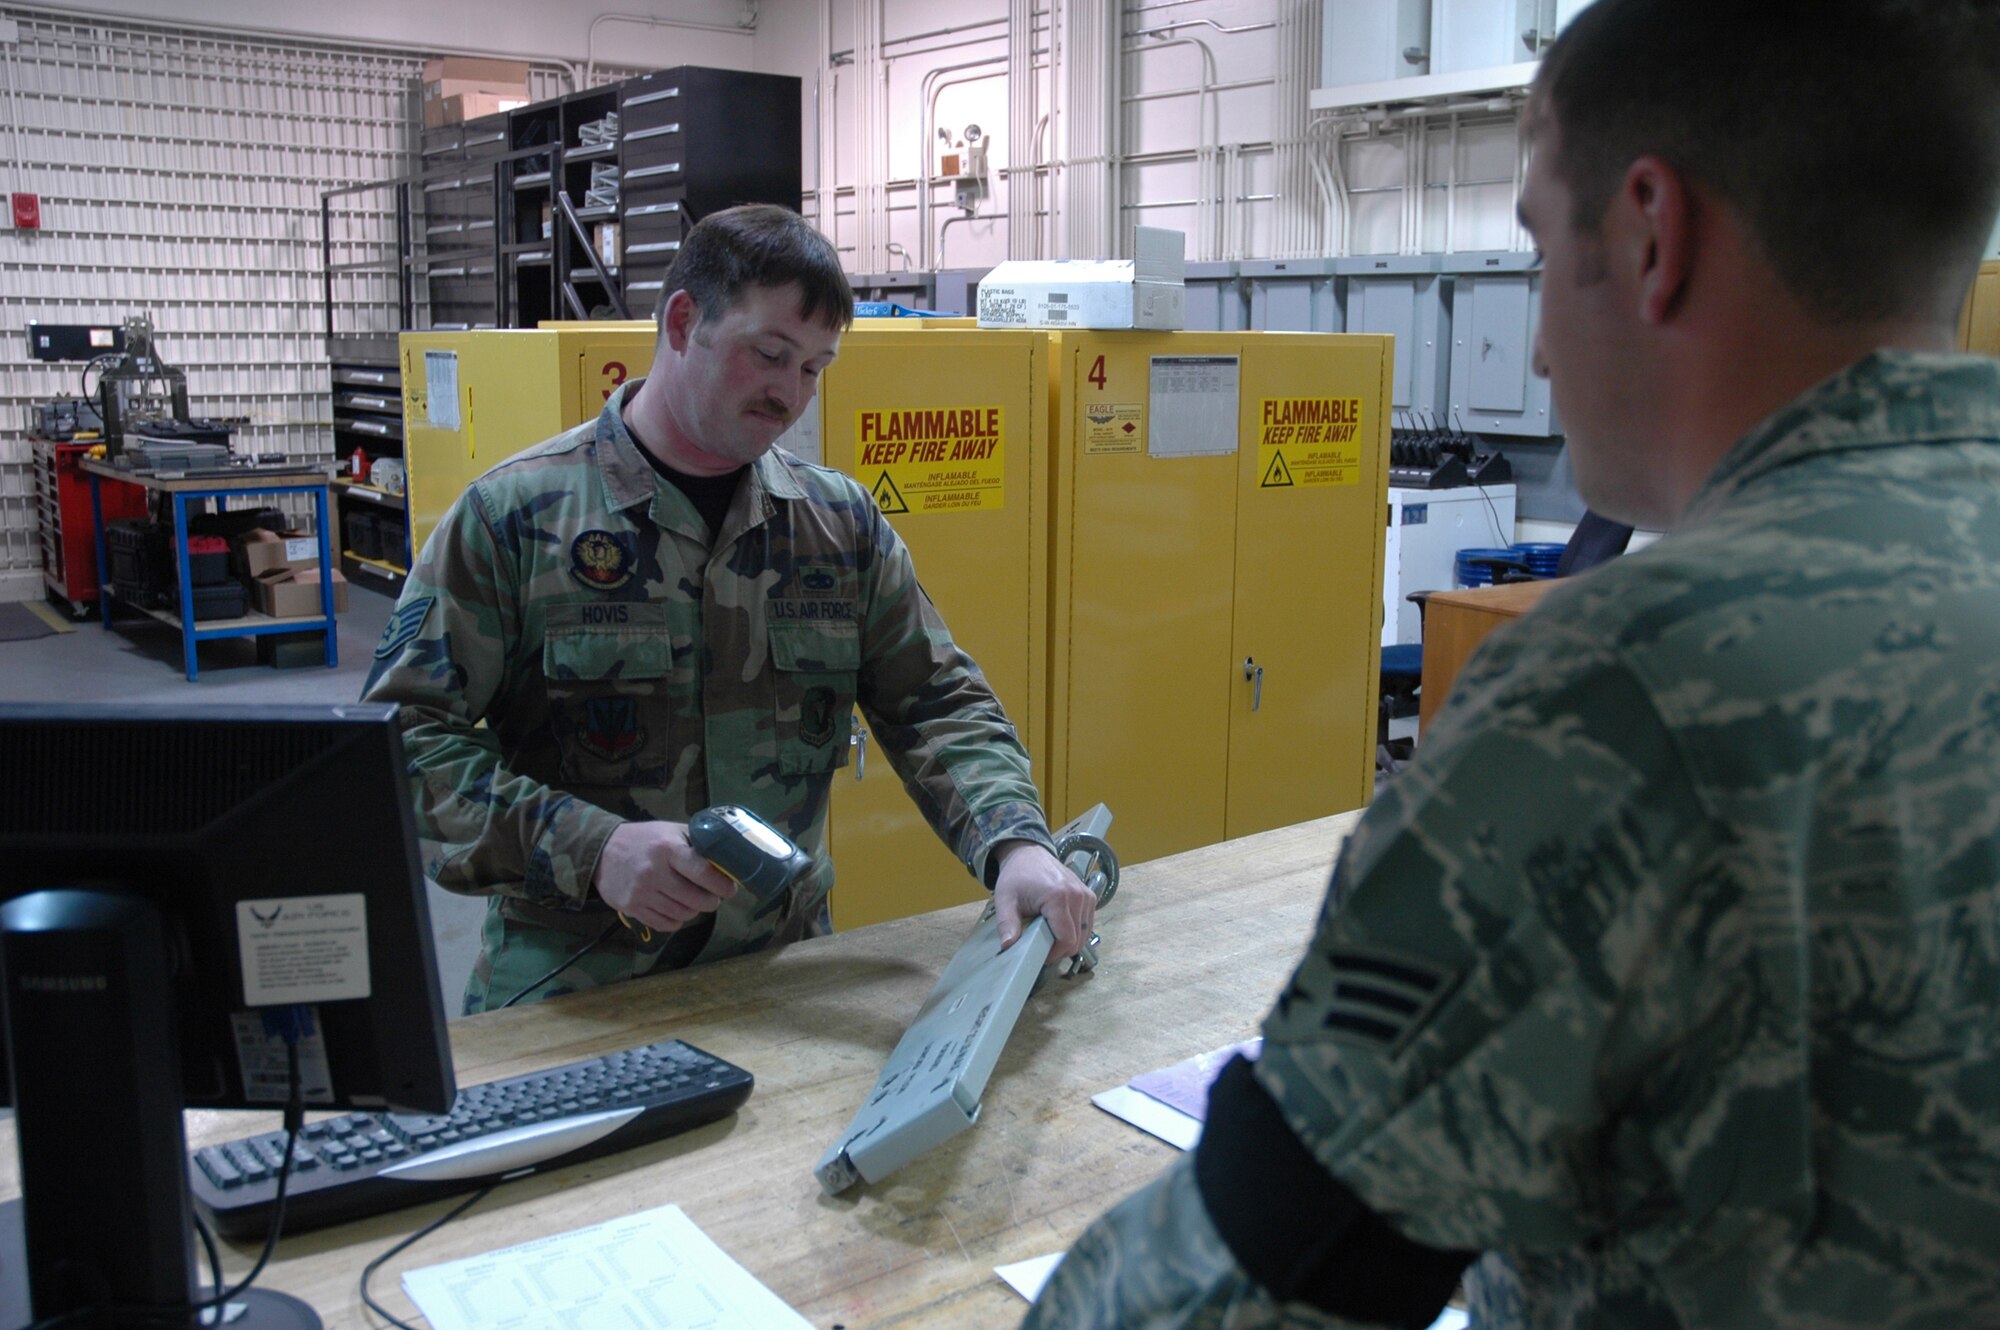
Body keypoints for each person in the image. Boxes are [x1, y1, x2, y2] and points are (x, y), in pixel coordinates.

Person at [1026, 0, 2000, 1325]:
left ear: (1652, 232)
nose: (1538, 345)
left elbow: (1232, 1288)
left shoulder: (1628, 687)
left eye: (1541, 246)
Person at [364, 205, 1094, 1014]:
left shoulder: (836, 525)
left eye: (815, 368)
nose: (790, 394)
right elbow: (399, 749)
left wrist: (1016, 842)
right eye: (770, 354)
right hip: (572, 988)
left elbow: (937, 702)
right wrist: (592, 847)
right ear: (684, 322)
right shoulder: (517, 518)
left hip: (781, 980)